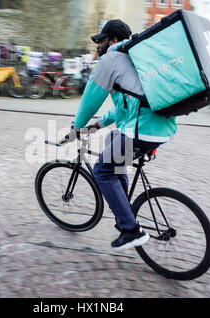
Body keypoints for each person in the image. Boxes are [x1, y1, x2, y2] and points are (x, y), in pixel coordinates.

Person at [60, 20, 177, 250]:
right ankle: (123, 206)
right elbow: (127, 104)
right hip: (160, 128)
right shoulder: (135, 58)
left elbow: (90, 100)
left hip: (141, 129)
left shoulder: (111, 59)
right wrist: (96, 126)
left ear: (113, 40)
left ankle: (130, 230)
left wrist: (76, 127)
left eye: (100, 40)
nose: (97, 46)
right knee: (111, 140)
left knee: (102, 171)